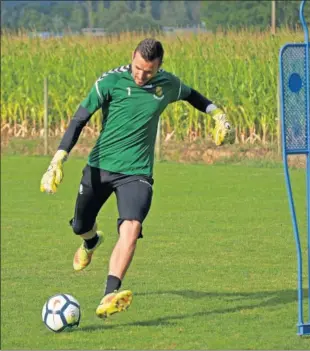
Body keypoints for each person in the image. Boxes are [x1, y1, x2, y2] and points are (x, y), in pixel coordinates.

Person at [40, 38, 235, 319]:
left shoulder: (167, 84)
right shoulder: (110, 82)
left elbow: (195, 97)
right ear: (132, 57)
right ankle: (91, 241)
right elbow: (79, 119)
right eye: (138, 68)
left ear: (159, 67)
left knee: (131, 227)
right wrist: (58, 159)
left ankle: (109, 294)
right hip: (100, 168)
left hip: (137, 173)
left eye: (149, 71)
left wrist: (218, 114)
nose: (142, 75)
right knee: (80, 225)